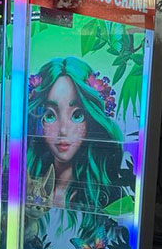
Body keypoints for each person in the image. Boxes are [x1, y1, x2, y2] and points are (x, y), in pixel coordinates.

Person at [27, 56, 125, 224]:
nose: (63, 130)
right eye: (50, 115)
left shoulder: (107, 195)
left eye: (77, 115)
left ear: (91, 120)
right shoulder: (25, 184)